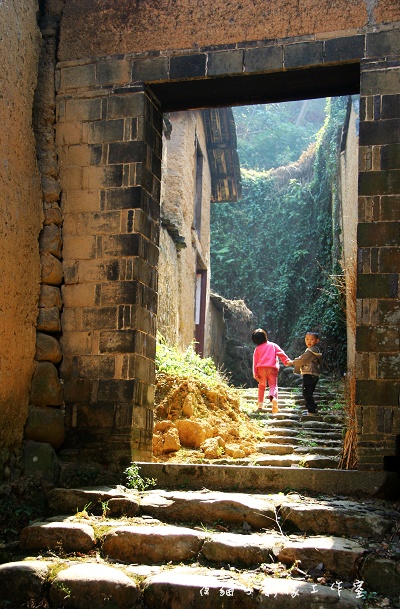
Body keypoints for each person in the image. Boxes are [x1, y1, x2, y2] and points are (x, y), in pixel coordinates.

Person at [252, 328, 292, 413]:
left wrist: (255, 374)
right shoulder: (273, 345)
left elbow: (255, 362)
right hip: (272, 368)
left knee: (262, 386)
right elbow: (281, 353)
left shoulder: (257, 349)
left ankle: (260, 404)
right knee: (273, 385)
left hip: (261, 369)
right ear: (265, 336)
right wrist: (286, 361)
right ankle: (273, 397)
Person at [291, 331, 322, 415]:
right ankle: (312, 409)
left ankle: (311, 410)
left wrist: (292, 362)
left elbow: (302, 360)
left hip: (310, 374)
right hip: (312, 374)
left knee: (307, 393)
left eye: (312, 339)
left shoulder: (311, 351)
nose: (309, 341)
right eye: (307, 339)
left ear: (317, 340)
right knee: (309, 392)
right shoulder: (312, 350)